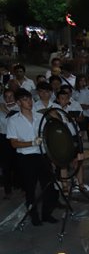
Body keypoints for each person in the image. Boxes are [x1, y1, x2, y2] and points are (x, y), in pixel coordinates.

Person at [6, 89, 57, 225]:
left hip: (42, 155)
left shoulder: (40, 117)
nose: (29, 102)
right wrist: (32, 142)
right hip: (26, 158)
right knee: (31, 188)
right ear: (18, 103)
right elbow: (14, 143)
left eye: (29, 99)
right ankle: (34, 216)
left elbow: (47, 136)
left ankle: (46, 213)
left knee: (48, 186)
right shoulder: (13, 120)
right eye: (24, 100)